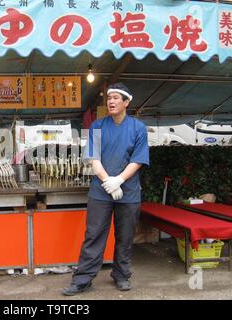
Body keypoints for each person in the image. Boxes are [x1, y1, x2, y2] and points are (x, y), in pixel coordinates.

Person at [62, 83, 149, 295]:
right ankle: (82, 279)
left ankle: (121, 275)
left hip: (128, 193)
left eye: (116, 98)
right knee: (93, 235)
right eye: (109, 98)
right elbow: (93, 158)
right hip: (100, 192)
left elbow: (137, 160)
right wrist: (107, 181)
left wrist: (119, 180)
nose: (111, 101)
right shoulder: (97, 127)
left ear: (126, 102)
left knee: (125, 236)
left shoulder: (138, 128)